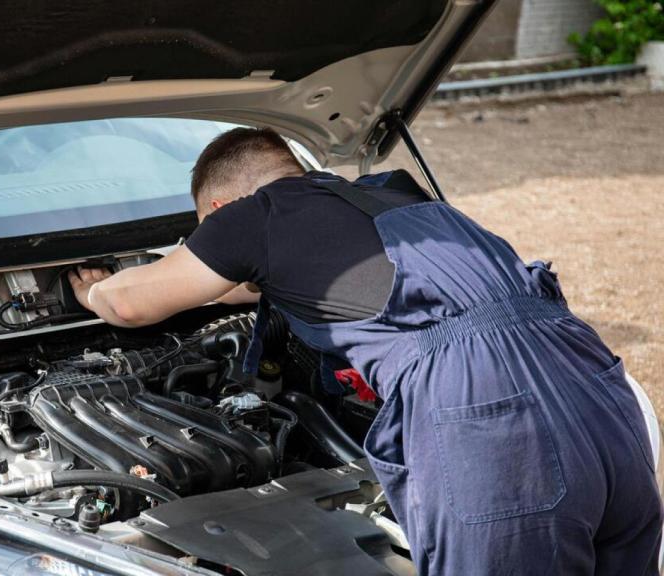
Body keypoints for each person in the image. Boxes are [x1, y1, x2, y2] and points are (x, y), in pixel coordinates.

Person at [68, 127, 663, 575]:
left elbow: (129, 305)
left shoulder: (256, 216)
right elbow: (274, 283)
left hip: (492, 417)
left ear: (220, 211)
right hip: (596, 388)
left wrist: (90, 289)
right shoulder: (396, 198)